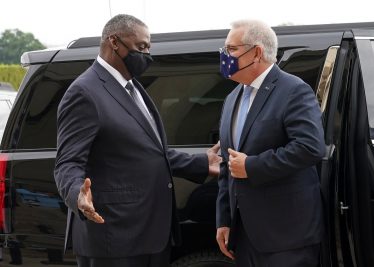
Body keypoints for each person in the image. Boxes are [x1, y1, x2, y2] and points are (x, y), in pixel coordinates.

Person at [54, 14, 221, 267]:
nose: (147, 54)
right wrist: (77, 195)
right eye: (141, 47)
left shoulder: (133, 87)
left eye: (148, 48)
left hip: (151, 235)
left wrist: (200, 163)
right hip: (114, 237)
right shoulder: (84, 92)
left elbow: (150, 151)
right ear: (114, 42)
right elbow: (67, 162)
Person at [216, 19, 326, 267]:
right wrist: (224, 219)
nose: (225, 56)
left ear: (256, 52)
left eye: (231, 49)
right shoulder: (232, 97)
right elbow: (228, 165)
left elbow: (310, 147)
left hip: (287, 234)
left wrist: (253, 166)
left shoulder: (293, 89)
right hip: (244, 235)